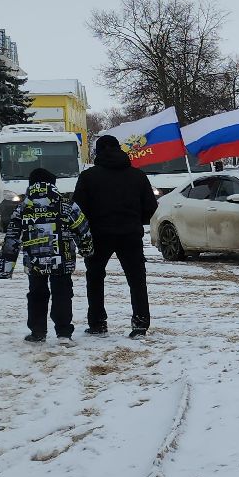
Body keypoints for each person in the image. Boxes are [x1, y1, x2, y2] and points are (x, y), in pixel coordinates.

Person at [74, 134, 159, 337]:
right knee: (137, 279)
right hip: (130, 234)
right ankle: (140, 323)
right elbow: (151, 206)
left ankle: (97, 323)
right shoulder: (137, 176)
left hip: (98, 235)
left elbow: (77, 209)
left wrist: (85, 228)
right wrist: (137, 220)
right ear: (119, 149)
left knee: (95, 278)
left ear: (98, 151)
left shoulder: (88, 177)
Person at [0, 168, 94, 344]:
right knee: (62, 294)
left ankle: (37, 332)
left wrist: (5, 269)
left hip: (34, 263)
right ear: (53, 184)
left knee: (36, 294)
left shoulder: (23, 208)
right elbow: (83, 229)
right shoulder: (66, 205)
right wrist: (87, 251)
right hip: (62, 261)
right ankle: (64, 333)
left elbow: (12, 239)